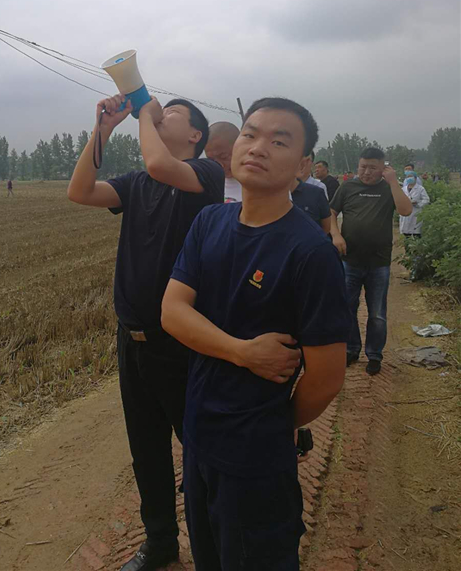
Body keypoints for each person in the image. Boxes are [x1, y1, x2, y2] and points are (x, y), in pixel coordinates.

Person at [67, 94, 301, 571]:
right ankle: (160, 541)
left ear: (195, 135)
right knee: (146, 450)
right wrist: (103, 130)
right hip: (132, 340)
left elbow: (159, 161)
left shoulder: (205, 175)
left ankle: (216, 546)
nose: (160, 116)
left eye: (172, 114)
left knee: (201, 451)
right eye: (161, 112)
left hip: (182, 342)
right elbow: (80, 191)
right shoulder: (137, 184)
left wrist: (143, 112)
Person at [162, 97, 350, 571]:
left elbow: (327, 378)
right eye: (250, 134)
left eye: (279, 141)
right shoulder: (210, 222)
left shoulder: (311, 253)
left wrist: (271, 425)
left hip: (256, 460)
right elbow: (172, 312)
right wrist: (242, 352)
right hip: (198, 437)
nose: (258, 147)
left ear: (303, 166)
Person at [329, 148, 412, 376]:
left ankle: (374, 354)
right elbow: (331, 212)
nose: (366, 172)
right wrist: (335, 234)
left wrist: (393, 182)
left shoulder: (388, 188)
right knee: (347, 308)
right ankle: (351, 349)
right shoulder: (347, 187)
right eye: (363, 167)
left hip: (379, 263)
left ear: (383, 168)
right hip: (350, 261)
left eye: (372, 168)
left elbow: (406, 210)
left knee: (377, 314)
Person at [205, 121, 242, 202]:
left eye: (224, 157)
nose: (220, 165)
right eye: (212, 160)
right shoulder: (209, 186)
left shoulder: (261, 182)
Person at [400, 172, 430, 237]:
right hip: (406, 213)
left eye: (411, 176)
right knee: (406, 234)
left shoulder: (420, 189)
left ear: (415, 178)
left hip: (416, 212)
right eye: (408, 177)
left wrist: (417, 203)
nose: (409, 178)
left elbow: (426, 199)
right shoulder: (403, 189)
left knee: (416, 234)